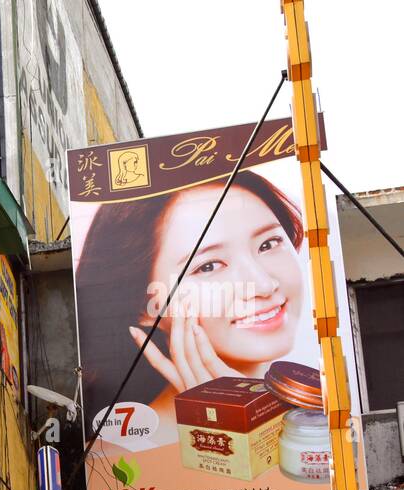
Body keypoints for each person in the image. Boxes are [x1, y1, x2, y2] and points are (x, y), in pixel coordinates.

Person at [75, 170, 306, 440]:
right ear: (145, 307)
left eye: (268, 244)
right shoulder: (124, 452)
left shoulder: (310, 412)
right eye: (209, 266)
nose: (264, 285)